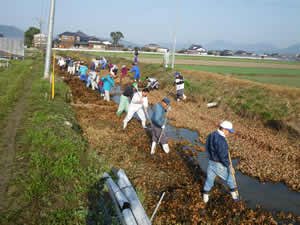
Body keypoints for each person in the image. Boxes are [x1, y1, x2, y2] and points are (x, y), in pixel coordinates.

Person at [203, 121, 239, 203]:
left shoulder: (211, 135)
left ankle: (205, 197)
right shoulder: (221, 141)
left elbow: (207, 148)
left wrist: (210, 157)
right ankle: (235, 196)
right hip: (219, 164)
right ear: (223, 129)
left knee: (209, 180)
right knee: (230, 177)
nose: (229, 133)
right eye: (228, 131)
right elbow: (223, 156)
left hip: (211, 162)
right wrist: (229, 166)